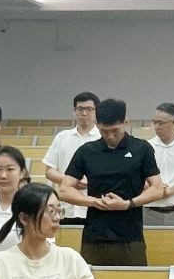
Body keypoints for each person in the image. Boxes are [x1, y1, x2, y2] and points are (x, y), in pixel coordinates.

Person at [57, 97, 166, 268]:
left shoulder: (142, 149)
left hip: (130, 236)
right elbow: (64, 190)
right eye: (104, 131)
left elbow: (157, 188)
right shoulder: (87, 151)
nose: (110, 136)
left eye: (115, 130)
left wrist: (128, 204)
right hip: (94, 236)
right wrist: (94, 201)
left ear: (125, 122)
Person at [42, 91, 99, 226]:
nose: (84, 113)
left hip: (94, 207)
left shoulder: (103, 138)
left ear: (97, 111)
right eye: (80, 109)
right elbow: (49, 171)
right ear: (74, 111)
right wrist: (70, 181)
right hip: (64, 207)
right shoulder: (62, 137)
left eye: (89, 109)